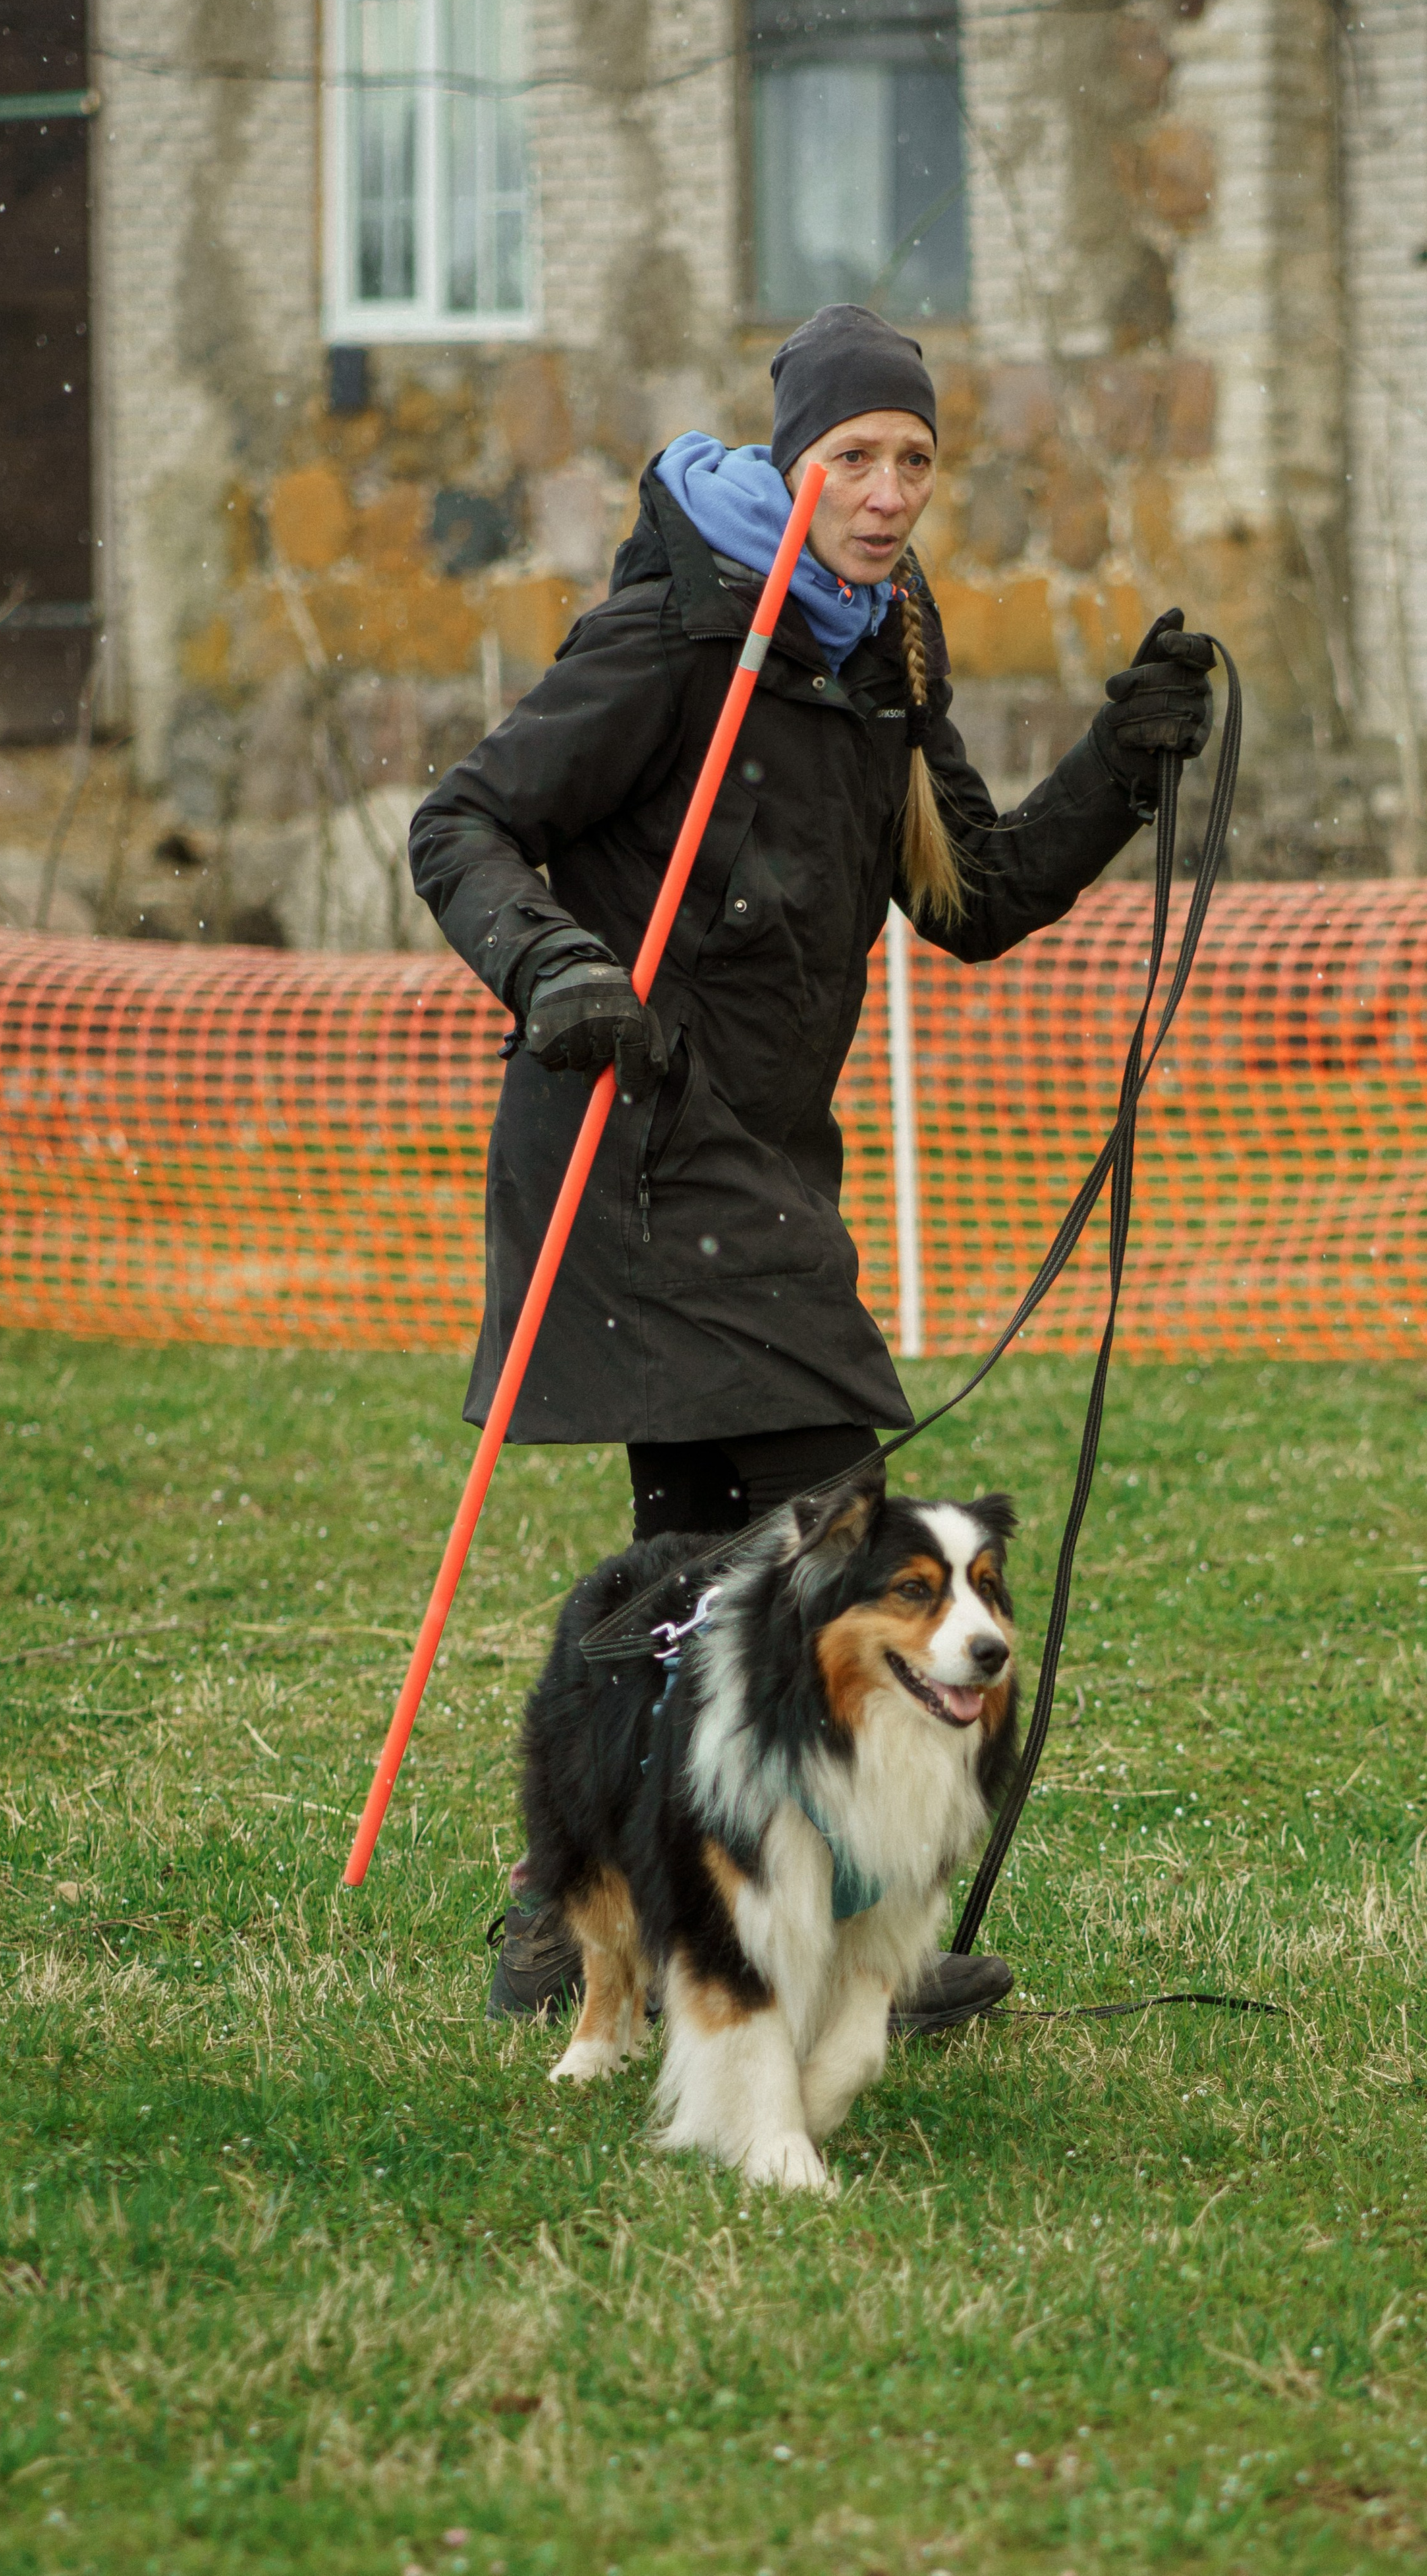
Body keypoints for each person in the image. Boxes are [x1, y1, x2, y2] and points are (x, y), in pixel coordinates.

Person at [410, 303, 1215, 2032]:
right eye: (852, 457)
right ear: (792, 467)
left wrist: (1121, 764)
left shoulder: (881, 656)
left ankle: (604, 1915)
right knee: (836, 1540)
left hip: (760, 1158)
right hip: (623, 1150)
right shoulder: (676, 633)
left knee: (705, 1559)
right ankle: (816, 1929)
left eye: (912, 460)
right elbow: (460, 823)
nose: (884, 490)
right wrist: (557, 970)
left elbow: (970, 896)